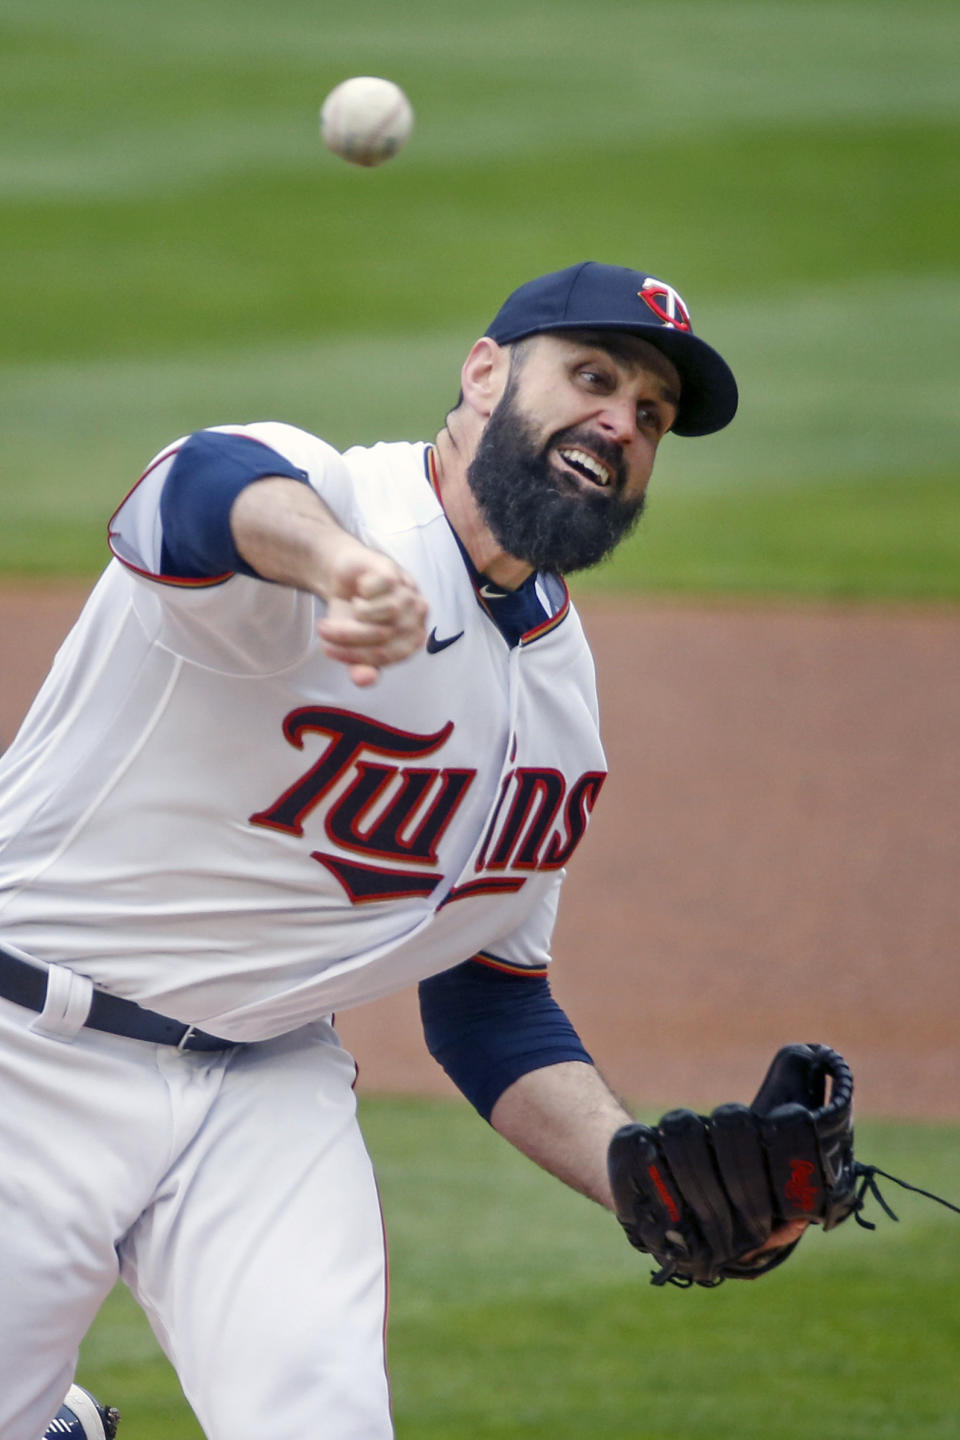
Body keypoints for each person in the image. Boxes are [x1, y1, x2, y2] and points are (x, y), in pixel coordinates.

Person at [0, 261, 800, 1439]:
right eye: (591, 377)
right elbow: (191, 491)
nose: (620, 423)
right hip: (29, 1056)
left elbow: (490, 1004)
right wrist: (330, 565)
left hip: (262, 1089)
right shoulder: (335, 502)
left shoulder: (563, 704)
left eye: (652, 415)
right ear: (484, 373)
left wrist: (634, 1172)